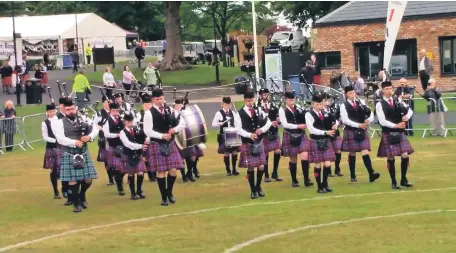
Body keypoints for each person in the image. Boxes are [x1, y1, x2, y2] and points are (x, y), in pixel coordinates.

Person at [53, 99, 99, 213]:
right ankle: (76, 203)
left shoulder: (83, 117)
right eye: (67, 110)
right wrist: (74, 142)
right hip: (69, 152)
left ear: (76, 108)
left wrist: (90, 137)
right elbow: (60, 138)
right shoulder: (59, 121)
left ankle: (81, 195)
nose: (70, 111)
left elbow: (95, 128)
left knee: (88, 179)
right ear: (64, 110)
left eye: (72, 109)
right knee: (73, 180)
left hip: (83, 152)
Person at [143, 88, 186, 206]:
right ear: (153, 99)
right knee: (161, 171)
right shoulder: (148, 113)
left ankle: (169, 192)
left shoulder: (170, 109)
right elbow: (147, 131)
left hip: (170, 143)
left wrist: (174, 129)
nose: (160, 101)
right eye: (157, 99)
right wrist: (162, 136)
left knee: (173, 171)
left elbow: (182, 122)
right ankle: (164, 198)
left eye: (161, 98)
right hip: (157, 144)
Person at [376, 81, 414, 189]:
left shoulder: (398, 100)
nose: (389, 91)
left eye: (390, 89)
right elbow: (382, 121)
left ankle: (403, 179)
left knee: (405, 155)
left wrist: (407, 117)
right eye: (387, 89)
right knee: (391, 157)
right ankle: (393, 182)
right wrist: (396, 125)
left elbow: (410, 110)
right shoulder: (380, 104)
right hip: (388, 132)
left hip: (400, 132)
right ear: (383, 90)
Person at [234, 90, 272, 199]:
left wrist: (261, 130)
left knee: (261, 167)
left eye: (251, 100)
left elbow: (268, 122)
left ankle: (258, 187)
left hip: (259, 142)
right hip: (248, 142)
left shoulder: (258, 109)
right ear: (244, 100)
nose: (250, 102)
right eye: (248, 100)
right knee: (251, 168)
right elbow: (238, 130)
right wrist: (250, 135)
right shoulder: (239, 113)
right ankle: (253, 190)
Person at [340, 86, 380, 183]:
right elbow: (345, 120)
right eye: (350, 93)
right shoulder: (343, 106)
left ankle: (371, 173)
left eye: (353, 93)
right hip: (351, 130)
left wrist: (368, 120)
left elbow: (369, 112)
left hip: (362, 129)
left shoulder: (361, 102)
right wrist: (358, 125)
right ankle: (353, 175)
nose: (352, 95)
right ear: (346, 94)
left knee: (365, 151)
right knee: (352, 152)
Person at [279, 91, 312, 188]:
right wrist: (298, 126)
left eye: (293, 100)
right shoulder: (282, 110)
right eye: (289, 100)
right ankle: (294, 180)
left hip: (301, 134)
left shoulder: (298, 107)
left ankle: (306, 179)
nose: (291, 102)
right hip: (290, 135)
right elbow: (284, 124)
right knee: (293, 158)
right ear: (285, 100)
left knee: (305, 156)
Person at [305, 94, 337, 193]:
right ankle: (319, 186)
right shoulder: (309, 114)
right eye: (317, 104)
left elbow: (335, 120)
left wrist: (335, 124)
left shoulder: (325, 112)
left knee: (327, 164)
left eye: (321, 104)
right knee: (318, 165)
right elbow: (311, 130)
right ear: (313, 104)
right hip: (316, 141)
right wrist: (325, 132)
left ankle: (325, 183)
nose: (320, 106)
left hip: (326, 141)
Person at [119, 113, 149, 200]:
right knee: (131, 174)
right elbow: (127, 144)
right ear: (125, 122)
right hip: (128, 155)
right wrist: (140, 146)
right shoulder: (122, 132)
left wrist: (145, 141)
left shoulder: (136, 129)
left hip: (138, 155)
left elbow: (142, 138)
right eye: (128, 122)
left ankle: (139, 190)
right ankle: (133, 193)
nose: (130, 123)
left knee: (140, 173)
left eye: (131, 122)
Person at [257, 88, 282, 182]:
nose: (265, 96)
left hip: (274, 131)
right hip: (264, 133)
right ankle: (266, 175)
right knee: (265, 154)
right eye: (263, 94)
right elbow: (258, 120)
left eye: (266, 94)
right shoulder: (257, 107)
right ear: (260, 96)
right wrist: (270, 123)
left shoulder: (273, 106)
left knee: (278, 151)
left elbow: (278, 118)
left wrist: (278, 120)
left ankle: (275, 173)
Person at [212, 97, 240, 176]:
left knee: (234, 152)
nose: (227, 106)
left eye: (228, 104)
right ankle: (228, 171)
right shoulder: (219, 113)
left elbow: (237, 123)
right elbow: (213, 124)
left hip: (232, 134)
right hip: (224, 135)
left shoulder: (233, 113)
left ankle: (234, 169)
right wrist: (218, 123)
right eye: (225, 104)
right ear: (222, 104)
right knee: (227, 153)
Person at [103, 102, 126, 196]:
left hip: (123, 146)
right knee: (117, 168)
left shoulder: (121, 119)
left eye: (117, 110)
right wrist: (116, 135)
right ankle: (120, 188)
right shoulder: (107, 120)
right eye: (113, 111)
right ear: (110, 111)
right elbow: (106, 134)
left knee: (124, 167)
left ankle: (117, 178)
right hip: (113, 146)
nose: (115, 112)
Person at [41, 103, 63, 199]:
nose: (52, 113)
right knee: (53, 170)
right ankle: (56, 191)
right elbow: (45, 137)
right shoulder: (45, 123)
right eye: (50, 112)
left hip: (62, 147)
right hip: (51, 148)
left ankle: (65, 188)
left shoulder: (60, 120)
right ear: (47, 113)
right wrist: (56, 140)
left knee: (63, 168)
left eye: (53, 111)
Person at [136, 94, 156, 182]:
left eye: (149, 104)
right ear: (143, 105)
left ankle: (154, 173)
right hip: (143, 138)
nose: (147, 106)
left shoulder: (155, 114)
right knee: (146, 158)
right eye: (145, 104)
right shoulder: (138, 115)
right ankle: (151, 175)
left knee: (154, 157)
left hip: (154, 137)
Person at [322, 93, 343, 177]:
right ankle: (329, 170)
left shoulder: (333, 109)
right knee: (328, 152)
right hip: (326, 133)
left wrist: (337, 124)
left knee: (338, 151)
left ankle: (337, 168)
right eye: (324, 100)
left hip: (335, 132)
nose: (327, 102)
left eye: (328, 100)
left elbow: (338, 118)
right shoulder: (320, 111)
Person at [96, 96, 114, 185]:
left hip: (114, 139)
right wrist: (102, 128)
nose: (108, 104)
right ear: (103, 103)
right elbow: (95, 125)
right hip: (104, 139)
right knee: (107, 160)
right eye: (107, 102)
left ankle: (116, 175)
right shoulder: (99, 113)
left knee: (117, 158)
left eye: (110, 102)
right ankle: (111, 178)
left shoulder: (114, 112)